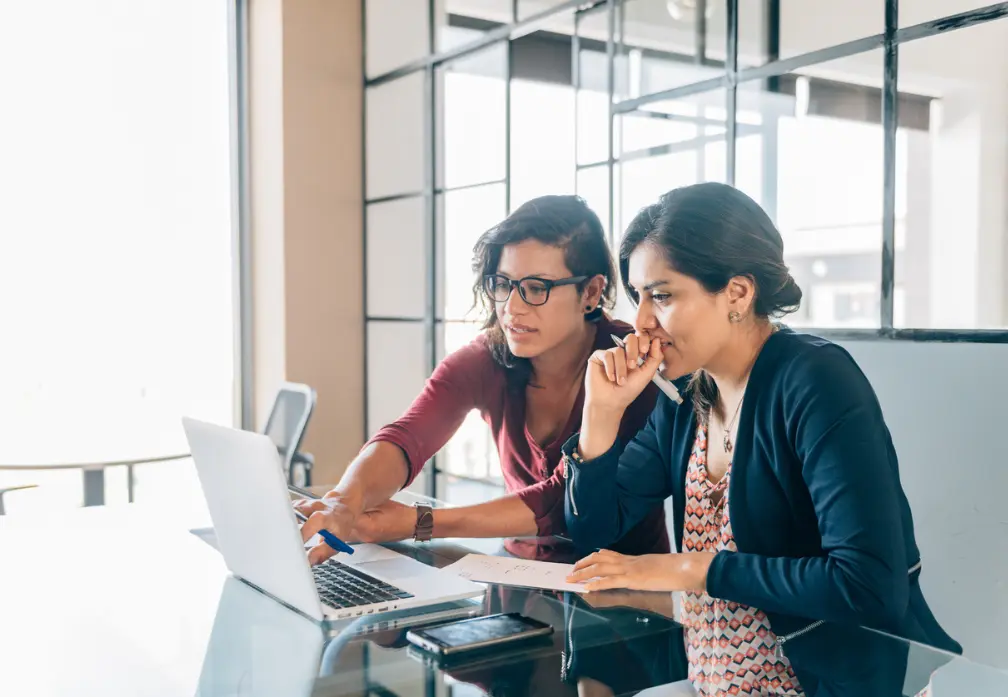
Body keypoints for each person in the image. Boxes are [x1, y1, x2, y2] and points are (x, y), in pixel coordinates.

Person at [562, 183, 960, 696]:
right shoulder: (687, 396)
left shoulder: (816, 381)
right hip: (709, 684)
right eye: (638, 296)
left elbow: (867, 586)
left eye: (661, 296)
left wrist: (691, 568)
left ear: (737, 293)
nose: (640, 322)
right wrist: (600, 417)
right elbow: (594, 529)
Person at [297, 194, 668, 565]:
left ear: (590, 292)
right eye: (503, 284)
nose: (512, 307)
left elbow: (560, 501)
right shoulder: (490, 355)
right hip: (518, 577)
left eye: (536, 288)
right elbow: (408, 435)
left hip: (623, 597)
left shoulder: (632, 365)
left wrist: (420, 522)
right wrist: (344, 502)